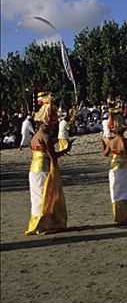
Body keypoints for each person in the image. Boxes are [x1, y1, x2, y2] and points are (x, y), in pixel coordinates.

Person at [26, 92, 72, 235]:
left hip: (34, 169)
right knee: (47, 197)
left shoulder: (35, 137)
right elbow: (53, 156)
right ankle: (46, 224)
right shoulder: (45, 137)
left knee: (37, 198)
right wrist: (66, 150)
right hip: (44, 168)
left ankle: (37, 224)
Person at [101, 109, 127, 224]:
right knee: (126, 192)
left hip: (114, 169)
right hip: (124, 170)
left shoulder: (111, 141)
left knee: (116, 192)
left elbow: (105, 154)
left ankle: (119, 216)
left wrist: (102, 143)